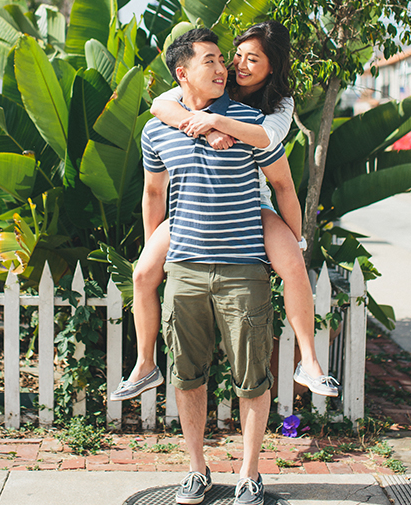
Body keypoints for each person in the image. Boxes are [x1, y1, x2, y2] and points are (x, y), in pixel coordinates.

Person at [111, 20, 339, 402]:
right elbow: (160, 105)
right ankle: (145, 365)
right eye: (238, 56)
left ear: (272, 67)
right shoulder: (216, 77)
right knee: (143, 273)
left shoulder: (279, 104)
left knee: (294, 265)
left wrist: (216, 121)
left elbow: (266, 141)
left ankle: (310, 363)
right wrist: (205, 128)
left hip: (252, 199)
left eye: (253, 59)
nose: (238, 65)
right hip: (192, 205)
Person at [142, 28, 298, 505]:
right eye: (209, 60)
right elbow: (153, 193)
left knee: (252, 378)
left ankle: (249, 475)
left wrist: (294, 242)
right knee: (187, 375)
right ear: (182, 72)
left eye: (220, 59)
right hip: (184, 269)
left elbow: (283, 182)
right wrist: (154, 249)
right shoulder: (157, 129)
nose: (221, 67)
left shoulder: (250, 123)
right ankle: (197, 469)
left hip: (243, 269)